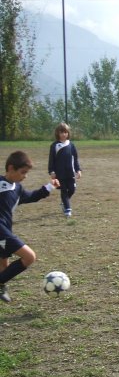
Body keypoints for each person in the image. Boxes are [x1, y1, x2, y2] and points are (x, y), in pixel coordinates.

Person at [0, 151, 60, 303]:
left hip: (5, 231)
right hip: (2, 232)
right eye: (23, 172)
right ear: (11, 168)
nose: (25, 176)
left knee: (3, 266)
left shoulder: (17, 188)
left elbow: (31, 196)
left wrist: (49, 187)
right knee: (29, 257)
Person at [48, 122, 82, 218]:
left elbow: (75, 159)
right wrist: (52, 171)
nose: (64, 134)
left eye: (65, 132)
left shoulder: (71, 145)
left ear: (68, 133)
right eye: (61, 132)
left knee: (72, 189)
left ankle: (64, 202)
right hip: (60, 173)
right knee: (63, 190)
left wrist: (78, 170)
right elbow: (51, 160)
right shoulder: (54, 146)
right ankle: (67, 209)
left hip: (70, 172)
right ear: (57, 133)